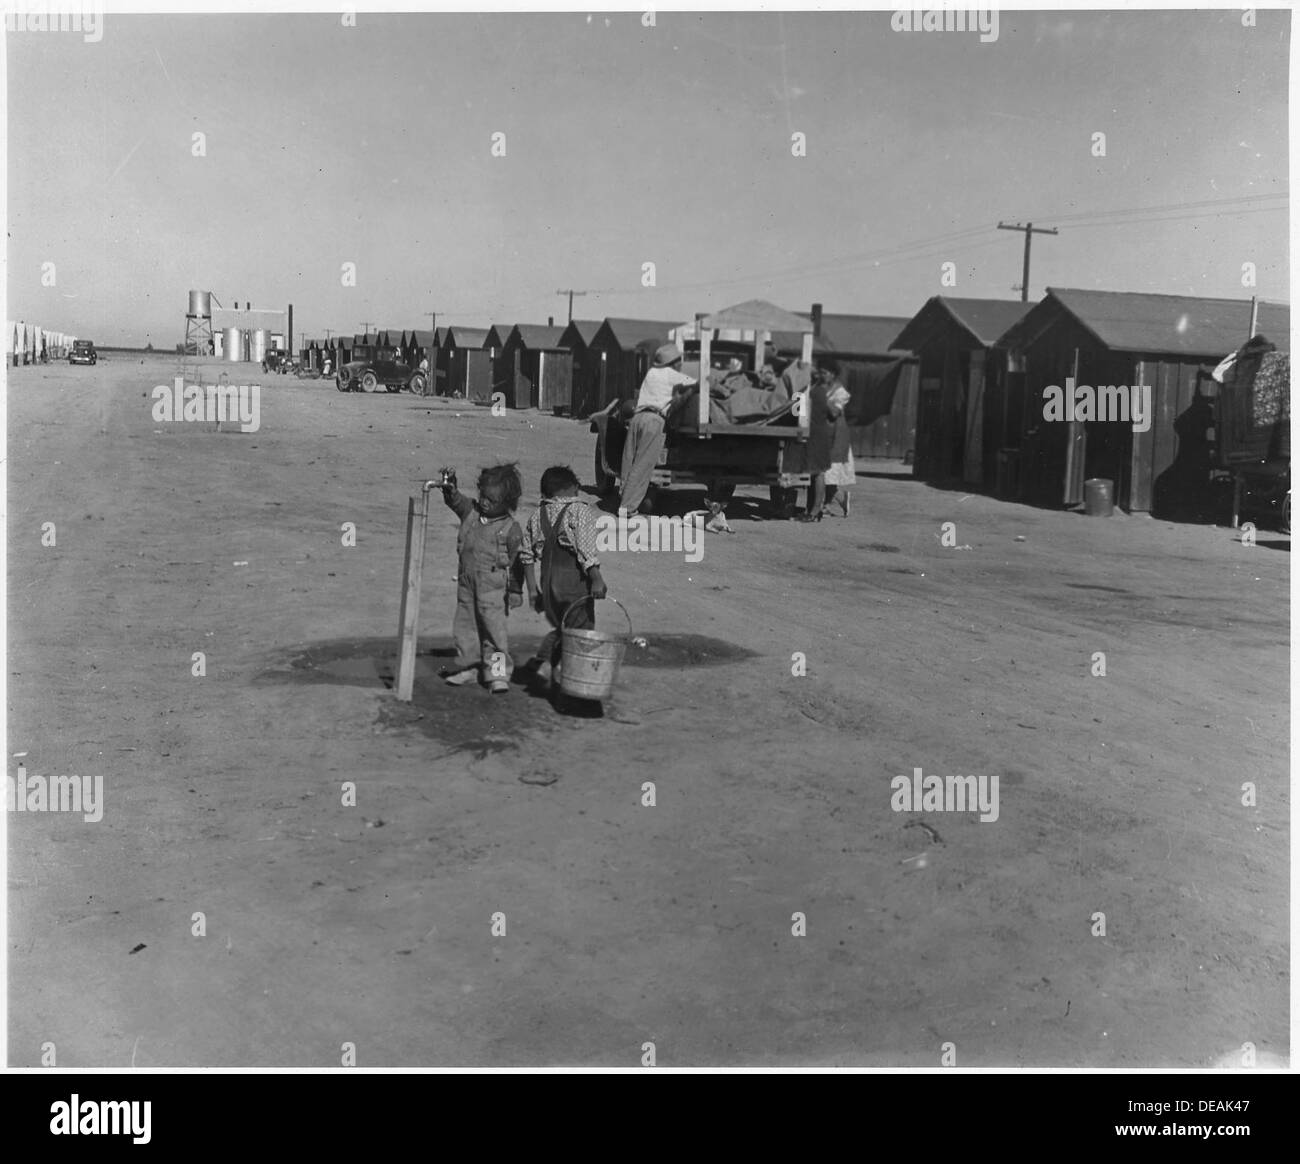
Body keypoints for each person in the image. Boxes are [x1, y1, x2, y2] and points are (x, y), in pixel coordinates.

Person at [518, 466, 608, 687]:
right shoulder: (579, 510)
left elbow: (526, 555)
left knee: (562, 628)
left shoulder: (536, 515)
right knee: (579, 633)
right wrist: (596, 577)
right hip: (573, 585)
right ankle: (563, 676)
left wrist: (532, 591)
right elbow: (585, 550)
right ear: (573, 487)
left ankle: (544, 662)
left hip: (548, 587)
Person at [439, 463, 525, 694]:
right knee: (466, 625)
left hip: (493, 587)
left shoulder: (511, 528)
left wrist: (516, 590)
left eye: (492, 500)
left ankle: (497, 674)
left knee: (493, 630)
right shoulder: (472, 512)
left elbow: (519, 562)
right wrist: (450, 487)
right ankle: (471, 666)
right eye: (483, 496)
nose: (485, 502)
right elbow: (455, 502)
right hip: (467, 583)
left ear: (507, 503)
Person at [618, 343, 697, 515]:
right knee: (643, 465)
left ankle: (623, 499)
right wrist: (690, 392)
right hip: (654, 421)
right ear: (674, 362)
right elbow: (696, 385)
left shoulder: (652, 373)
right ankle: (627, 508)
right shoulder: (672, 374)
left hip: (637, 418)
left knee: (629, 462)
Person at [797, 365, 838, 521]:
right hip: (818, 433)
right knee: (816, 473)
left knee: (817, 473)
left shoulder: (807, 392)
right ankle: (812, 510)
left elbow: (796, 413)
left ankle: (814, 511)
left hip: (813, 434)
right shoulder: (820, 392)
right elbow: (833, 413)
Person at [823, 370, 855, 517]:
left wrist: (821, 399)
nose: (823, 375)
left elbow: (834, 412)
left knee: (830, 470)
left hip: (837, 433)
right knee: (824, 471)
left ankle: (833, 501)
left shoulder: (840, 391)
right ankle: (831, 502)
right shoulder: (823, 388)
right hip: (825, 431)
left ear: (833, 374)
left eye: (826, 372)